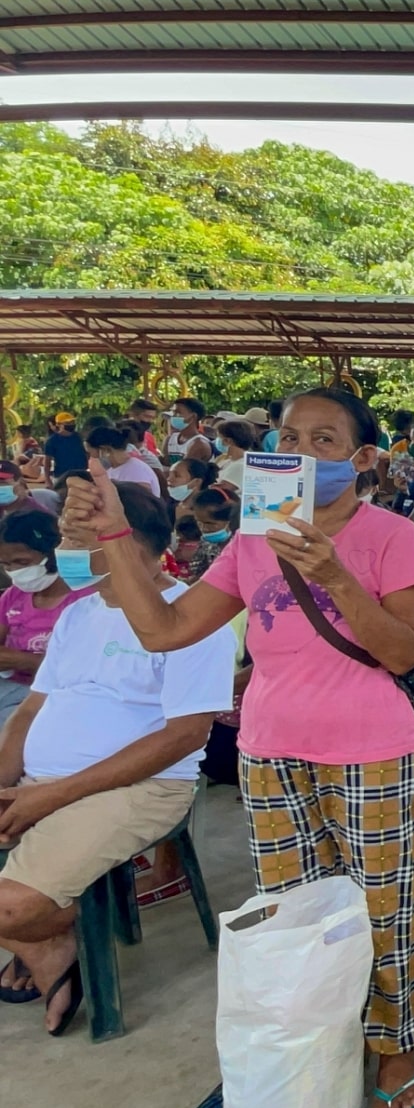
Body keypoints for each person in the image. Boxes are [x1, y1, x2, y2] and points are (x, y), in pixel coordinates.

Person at [65, 387, 414, 1108]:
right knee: (293, 915)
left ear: (363, 459)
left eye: (324, 440)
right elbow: (166, 629)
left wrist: (332, 572)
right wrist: (114, 536)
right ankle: (318, 1036)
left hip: (372, 750)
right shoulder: (248, 541)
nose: (300, 451)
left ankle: (397, 1044)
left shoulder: (391, 535)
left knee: (387, 906)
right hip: (270, 752)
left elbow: (404, 651)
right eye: (289, 435)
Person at [0, 481, 234, 1034]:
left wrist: (53, 794)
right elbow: (31, 711)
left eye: (80, 541)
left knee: (11, 908)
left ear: (128, 544)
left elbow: (183, 737)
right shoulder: (80, 616)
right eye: (66, 540)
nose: (67, 556)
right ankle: (41, 934)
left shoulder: (192, 619)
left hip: (141, 789)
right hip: (45, 781)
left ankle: (45, 936)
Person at [0, 509, 95, 724]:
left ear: (53, 554)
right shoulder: (14, 596)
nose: (13, 572)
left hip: (57, 694)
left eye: (22, 563)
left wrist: (24, 661)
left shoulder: (85, 600)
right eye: (6, 565)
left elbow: (82, 671)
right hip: (10, 686)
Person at [86, 426, 161, 496]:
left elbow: (143, 502)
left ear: (105, 450)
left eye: (91, 453)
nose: (90, 458)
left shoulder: (136, 470)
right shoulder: (111, 471)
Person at [163, 397, 212, 464]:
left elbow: (184, 470)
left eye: (178, 413)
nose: (173, 416)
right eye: (173, 413)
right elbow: (165, 463)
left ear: (193, 417)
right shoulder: (170, 439)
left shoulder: (199, 444)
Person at [213, 418, 255, 490]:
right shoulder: (226, 461)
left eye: (219, 437)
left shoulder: (241, 465)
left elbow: (220, 490)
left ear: (228, 441)